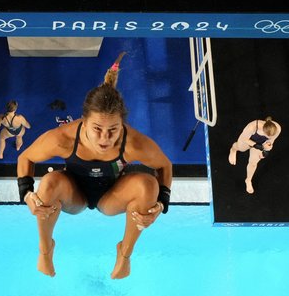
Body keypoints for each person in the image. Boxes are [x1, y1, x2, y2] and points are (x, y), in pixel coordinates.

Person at [16, 53, 172, 279]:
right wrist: (27, 194)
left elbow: (165, 166)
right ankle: (45, 249)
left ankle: (125, 253)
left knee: (148, 185)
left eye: (113, 130)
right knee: (48, 184)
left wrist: (161, 205)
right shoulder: (63, 138)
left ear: (122, 124)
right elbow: (25, 158)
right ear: (83, 121)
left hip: (112, 195)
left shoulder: (134, 144)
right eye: (97, 128)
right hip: (74, 194)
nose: (104, 139)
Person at [228, 117, 282, 194]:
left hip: (261, 143)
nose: (268, 137)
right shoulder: (252, 127)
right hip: (248, 140)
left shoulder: (278, 129)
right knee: (240, 148)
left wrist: (266, 150)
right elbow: (244, 139)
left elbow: (271, 141)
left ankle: (248, 180)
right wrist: (257, 146)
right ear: (263, 129)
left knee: (253, 163)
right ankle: (233, 150)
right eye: (267, 135)